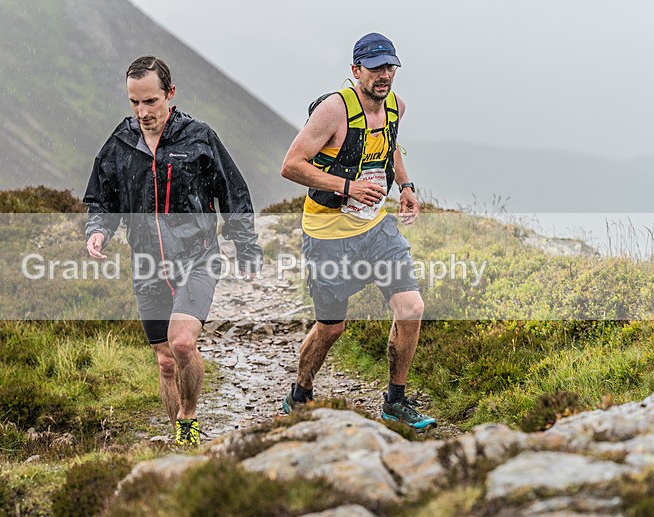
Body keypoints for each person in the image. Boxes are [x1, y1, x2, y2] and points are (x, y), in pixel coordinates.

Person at [83, 56, 262, 445]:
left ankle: (189, 417)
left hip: (197, 257)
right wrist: (98, 230)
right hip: (147, 264)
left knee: (182, 344)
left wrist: (247, 248)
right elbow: (103, 198)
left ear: (170, 94)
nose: (143, 112)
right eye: (134, 102)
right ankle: (181, 441)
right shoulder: (121, 143)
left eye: (151, 101)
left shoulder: (198, 138)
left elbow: (233, 194)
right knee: (165, 361)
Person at [280, 33, 436, 430]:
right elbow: (292, 165)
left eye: (390, 67)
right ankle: (301, 392)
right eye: (376, 68)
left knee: (411, 308)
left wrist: (406, 187)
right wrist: (347, 187)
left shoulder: (396, 107)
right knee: (332, 327)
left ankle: (395, 401)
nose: (384, 76)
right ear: (356, 71)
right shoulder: (333, 111)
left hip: (375, 230)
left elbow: (392, 146)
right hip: (328, 233)